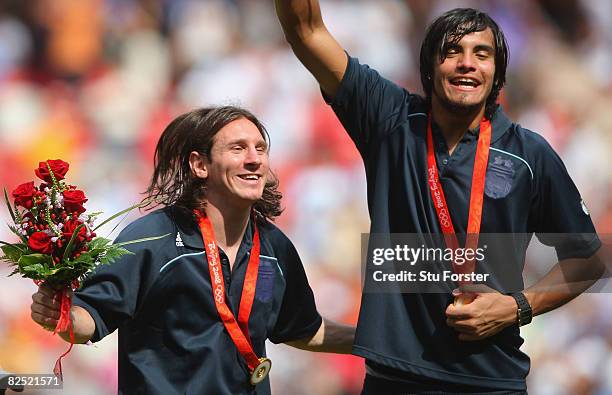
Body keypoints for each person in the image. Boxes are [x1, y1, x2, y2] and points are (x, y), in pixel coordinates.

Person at [275, 3, 604, 394]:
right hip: (395, 380)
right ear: (430, 67)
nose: (468, 63)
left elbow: (586, 261)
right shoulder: (391, 120)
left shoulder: (529, 154)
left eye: (482, 54)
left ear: (497, 72)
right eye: (452, 52)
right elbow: (306, 31)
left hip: (491, 380)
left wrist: (516, 306)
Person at [30, 106, 355, 394]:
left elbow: (303, 329)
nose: (255, 159)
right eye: (238, 148)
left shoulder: (274, 247)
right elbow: (90, 318)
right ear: (200, 165)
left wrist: (383, 339)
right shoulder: (151, 238)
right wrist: (60, 316)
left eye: (260, 148)